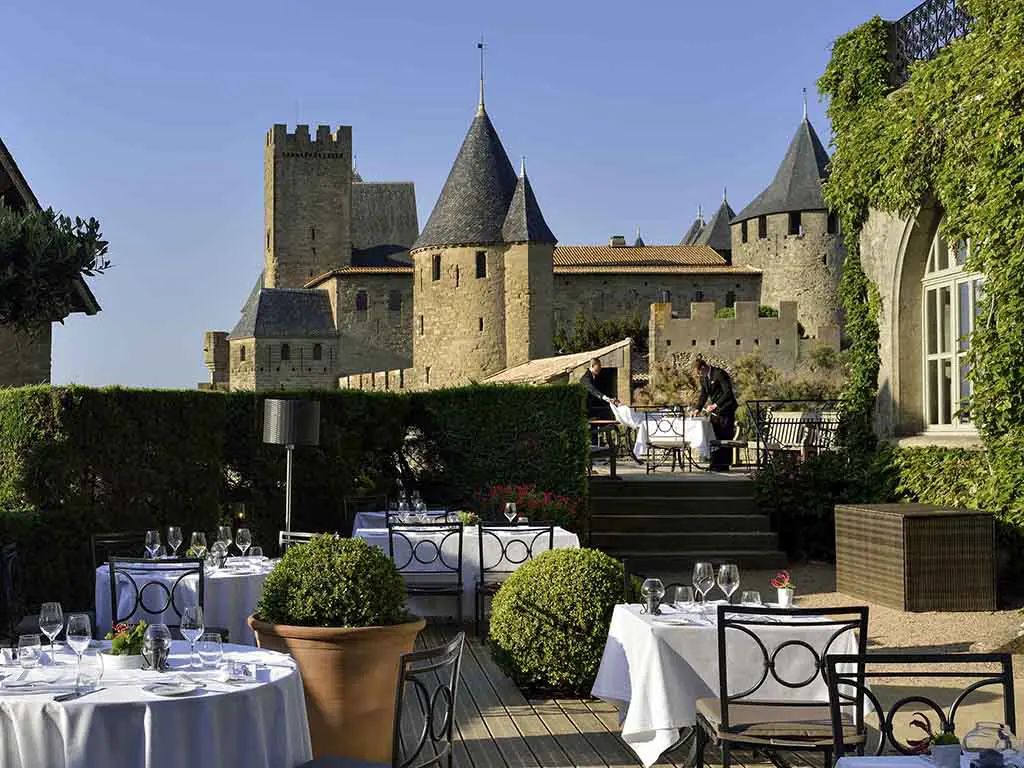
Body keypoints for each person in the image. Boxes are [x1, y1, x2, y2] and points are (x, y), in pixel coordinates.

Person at [692, 355, 738, 471]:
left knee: (725, 436)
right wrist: (697, 409)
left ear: (703, 367)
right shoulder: (703, 378)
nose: (699, 376)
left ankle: (724, 465)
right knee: (715, 436)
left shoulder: (719, 374)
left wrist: (715, 405)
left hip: (726, 409)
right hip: (715, 412)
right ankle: (715, 464)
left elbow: (728, 393)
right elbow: (704, 394)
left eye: (699, 373)